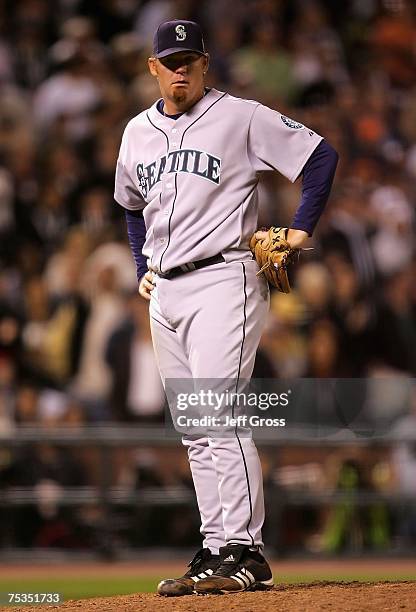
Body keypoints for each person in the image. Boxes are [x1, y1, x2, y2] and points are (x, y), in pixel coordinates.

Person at [114, 19, 338, 596]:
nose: (180, 67)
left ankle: (247, 550)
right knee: (194, 427)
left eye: (190, 58)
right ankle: (216, 547)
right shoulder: (136, 131)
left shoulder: (239, 116)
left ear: (205, 63)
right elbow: (130, 206)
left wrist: (299, 231)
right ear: (153, 68)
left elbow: (320, 157)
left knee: (219, 411)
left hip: (225, 277)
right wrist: (142, 269)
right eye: (171, 59)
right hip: (166, 290)